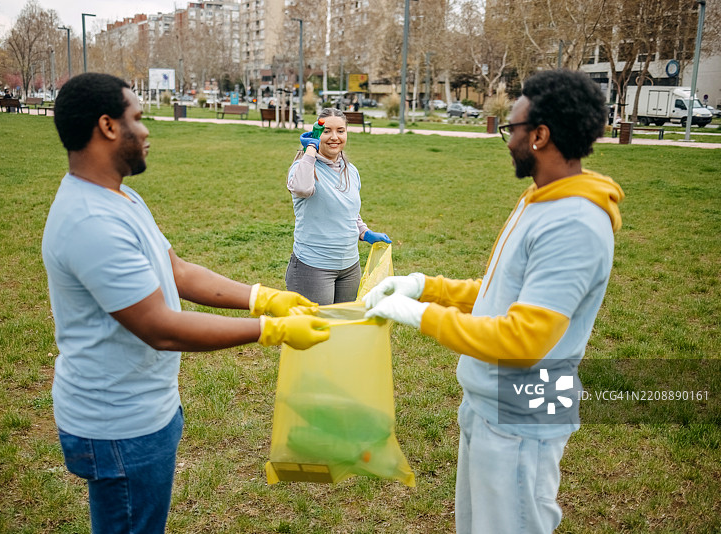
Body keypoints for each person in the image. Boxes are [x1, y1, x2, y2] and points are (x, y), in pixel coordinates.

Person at [42, 73, 330, 534]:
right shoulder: (91, 220)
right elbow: (162, 327)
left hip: (145, 408)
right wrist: (268, 331)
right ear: (108, 127)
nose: (147, 129)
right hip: (120, 425)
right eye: (137, 118)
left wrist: (262, 298)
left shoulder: (119, 196)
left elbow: (176, 269)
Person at [364, 69, 624, 533]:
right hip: (489, 405)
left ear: (540, 136)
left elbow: (524, 339)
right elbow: (501, 293)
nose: (507, 141)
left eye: (513, 129)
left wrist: (419, 315)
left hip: (521, 417)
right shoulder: (542, 200)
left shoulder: (574, 224)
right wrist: (426, 286)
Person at [286, 107, 392, 305]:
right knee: (316, 331)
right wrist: (310, 149)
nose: (334, 137)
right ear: (317, 134)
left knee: (342, 328)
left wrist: (364, 232)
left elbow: (349, 210)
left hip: (349, 266)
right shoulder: (303, 167)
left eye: (340, 131)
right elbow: (301, 188)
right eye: (326, 131)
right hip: (313, 267)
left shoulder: (350, 170)